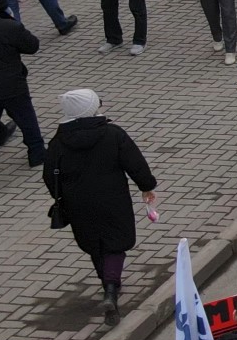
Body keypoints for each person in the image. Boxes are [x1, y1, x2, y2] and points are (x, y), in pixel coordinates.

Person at [43, 88, 156, 325]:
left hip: (79, 204)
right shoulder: (112, 134)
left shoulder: (58, 142)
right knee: (115, 242)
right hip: (113, 199)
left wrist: (62, 196)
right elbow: (134, 162)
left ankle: (106, 283)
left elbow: (49, 175)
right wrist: (146, 186)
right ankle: (111, 289)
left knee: (95, 243)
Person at [0, 0, 49, 168]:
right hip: (12, 84)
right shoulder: (10, 27)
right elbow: (32, 46)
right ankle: (37, 153)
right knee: (26, 118)